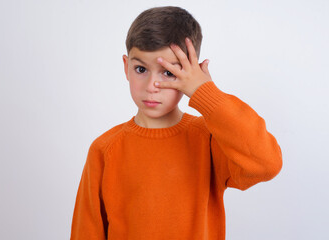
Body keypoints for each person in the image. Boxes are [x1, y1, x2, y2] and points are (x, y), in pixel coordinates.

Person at [70, 6, 282, 240]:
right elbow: (86, 232)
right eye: (141, 69)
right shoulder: (104, 149)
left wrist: (204, 92)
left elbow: (266, 163)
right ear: (126, 67)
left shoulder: (210, 139)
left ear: (192, 73)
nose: (152, 85)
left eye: (169, 73)